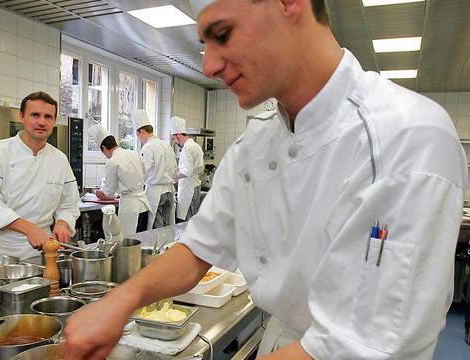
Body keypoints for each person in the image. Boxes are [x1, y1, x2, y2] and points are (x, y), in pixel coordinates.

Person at [62, 1, 467, 359]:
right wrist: (121, 300)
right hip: (280, 341)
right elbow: (198, 246)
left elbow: (361, 346)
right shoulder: (256, 143)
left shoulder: (407, 137)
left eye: (223, 35)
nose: (208, 65)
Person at [0, 91, 80, 260]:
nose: (42, 122)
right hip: (2, 252)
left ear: (54, 121)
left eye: (48, 117)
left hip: (42, 250)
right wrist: (29, 228)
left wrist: (63, 222)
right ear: (22, 116)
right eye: (35, 115)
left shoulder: (59, 159)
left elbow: (69, 203)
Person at [88, 124, 151, 235]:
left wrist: (96, 192)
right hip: (144, 205)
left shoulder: (112, 162)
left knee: (129, 243)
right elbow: (143, 172)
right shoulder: (133, 154)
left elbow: (107, 193)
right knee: (142, 241)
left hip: (131, 209)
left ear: (103, 148)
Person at [133, 109, 178, 228]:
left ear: (142, 131)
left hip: (156, 192)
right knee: (168, 226)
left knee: (156, 227)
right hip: (169, 190)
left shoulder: (148, 147)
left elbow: (143, 171)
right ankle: (169, 246)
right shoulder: (166, 145)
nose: (139, 139)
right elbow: (175, 169)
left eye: (138, 135)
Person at [170, 116, 204, 222]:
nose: (175, 142)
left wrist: (172, 178)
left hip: (188, 189)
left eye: (174, 139)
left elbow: (187, 171)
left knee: (186, 222)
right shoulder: (196, 146)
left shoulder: (187, 148)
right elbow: (199, 168)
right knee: (193, 220)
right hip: (195, 185)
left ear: (179, 135)